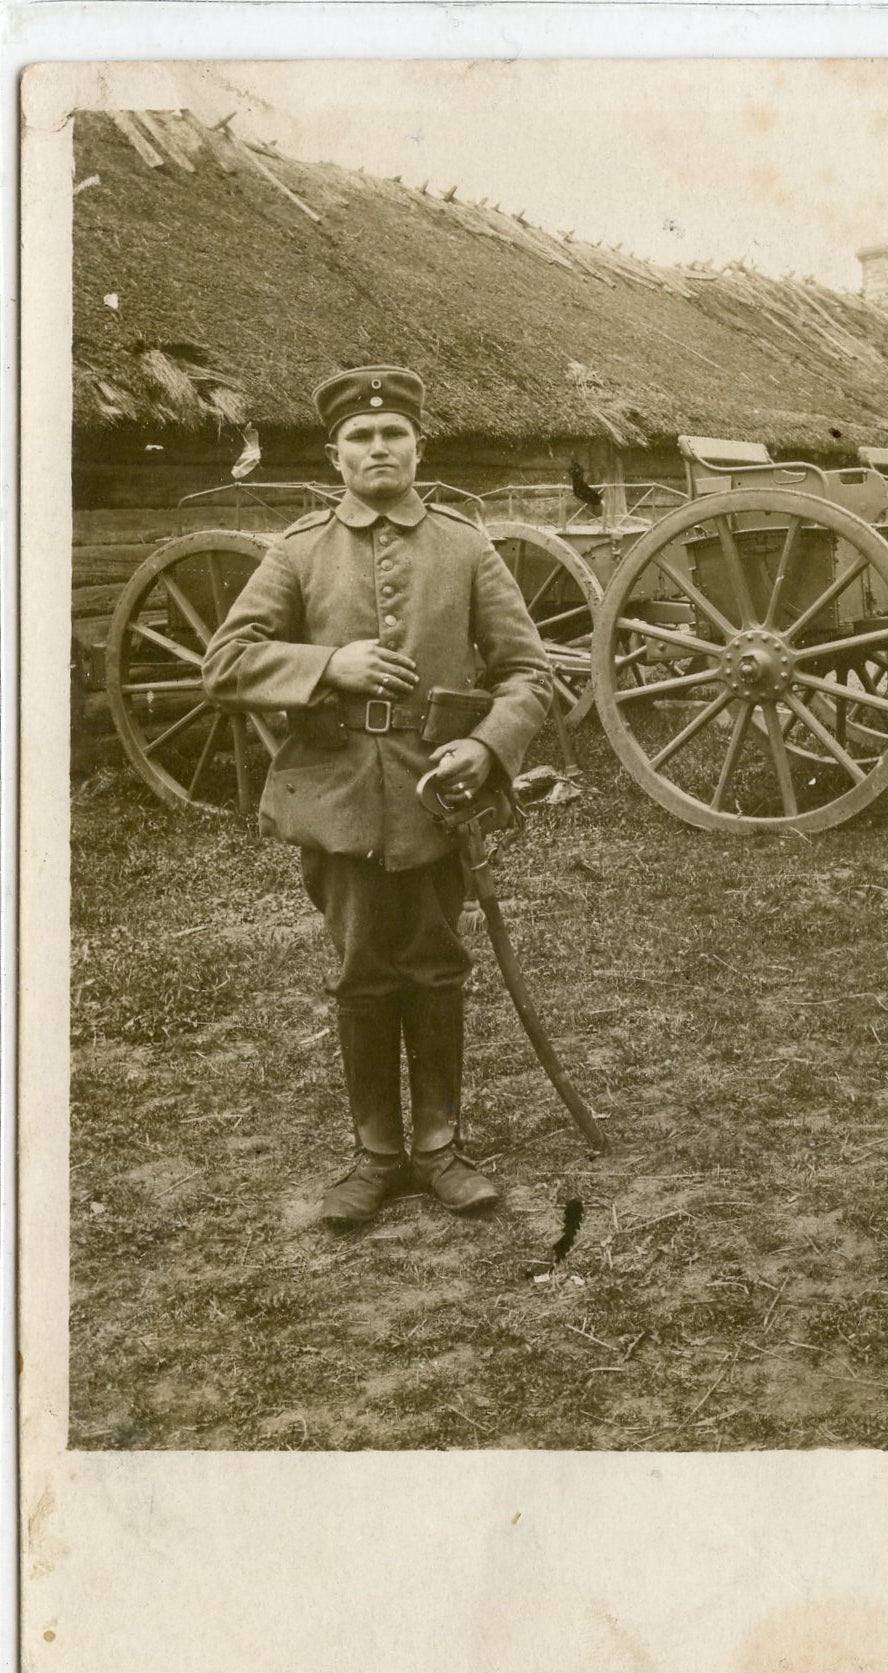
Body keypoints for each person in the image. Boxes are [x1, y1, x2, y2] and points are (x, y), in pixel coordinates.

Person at [202, 366, 553, 1226]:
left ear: (418, 447)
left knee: (436, 966)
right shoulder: (297, 552)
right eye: (360, 437)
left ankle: (439, 1149)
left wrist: (485, 744)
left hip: (440, 794)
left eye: (393, 433)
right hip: (339, 797)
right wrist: (328, 666)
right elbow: (224, 662)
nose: (378, 447)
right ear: (336, 457)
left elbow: (531, 675)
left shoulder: (467, 548)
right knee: (361, 971)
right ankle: (375, 1156)